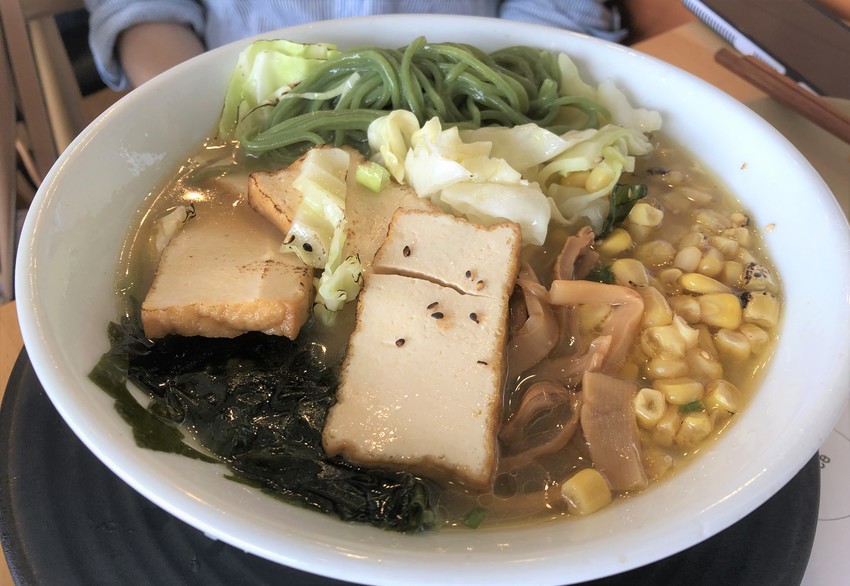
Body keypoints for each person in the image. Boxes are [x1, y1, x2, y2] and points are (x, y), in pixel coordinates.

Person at [85, 0, 659, 91]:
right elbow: (141, 10)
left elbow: (559, 10)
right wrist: (197, 108)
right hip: (243, 95)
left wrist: (486, 91)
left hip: (484, 88)